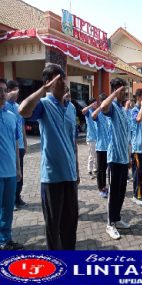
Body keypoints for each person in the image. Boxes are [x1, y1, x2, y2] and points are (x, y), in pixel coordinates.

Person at [19, 64, 79, 250]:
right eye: (58, 78)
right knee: (53, 229)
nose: (63, 81)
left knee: (70, 226)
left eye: (63, 77)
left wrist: (76, 168)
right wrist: (43, 90)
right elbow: (23, 110)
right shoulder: (43, 105)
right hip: (52, 177)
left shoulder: (71, 108)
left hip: (70, 176)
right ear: (48, 82)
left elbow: (72, 141)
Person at [101, 78, 131, 240]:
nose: (125, 92)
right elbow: (103, 107)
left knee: (121, 192)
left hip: (123, 158)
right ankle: (109, 224)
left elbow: (126, 135)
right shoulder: (112, 107)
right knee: (113, 193)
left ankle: (117, 218)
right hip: (114, 158)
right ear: (115, 90)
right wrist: (113, 94)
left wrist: (128, 155)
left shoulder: (122, 109)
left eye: (125, 90)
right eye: (122, 90)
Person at [0, 78, 23, 250]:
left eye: (3, 90)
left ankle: (6, 240)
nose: (2, 94)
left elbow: (16, 143)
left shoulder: (11, 116)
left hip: (9, 172)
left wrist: (18, 168)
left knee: (7, 210)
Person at [6, 80, 27, 209]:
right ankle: (12, 200)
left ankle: (18, 197)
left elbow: (22, 125)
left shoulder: (18, 106)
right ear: (8, 91)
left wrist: (25, 142)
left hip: (19, 146)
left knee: (20, 173)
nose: (17, 94)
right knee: (12, 174)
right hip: (10, 146)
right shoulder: (5, 106)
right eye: (15, 91)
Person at [131, 89, 142, 206]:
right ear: (138, 98)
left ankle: (141, 193)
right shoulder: (134, 110)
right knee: (137, 173)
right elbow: (137, 119)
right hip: (137, 147)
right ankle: (135, 195)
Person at [92, 93, 110, 198]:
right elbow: (93, 115)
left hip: (108, 147)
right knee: (100, 169)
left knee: (106, 168)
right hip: (100, 146)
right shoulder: (98, 114)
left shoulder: (108, 114)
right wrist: (100, 107)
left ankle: (104, 186)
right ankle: (101, 188)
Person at [82, 99, 98, 179]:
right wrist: (90, 106)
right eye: (95, 103)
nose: (96, 104)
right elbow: (83, 111)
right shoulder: (89, 112)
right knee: (92, 154)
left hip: (97, 137)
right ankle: (90, 170)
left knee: (96, 154)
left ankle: (95, 169)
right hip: (91, 137)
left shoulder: (96, 111)